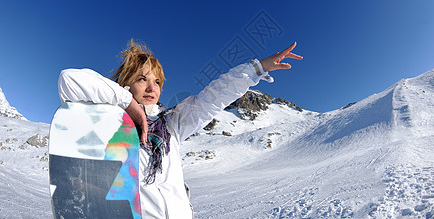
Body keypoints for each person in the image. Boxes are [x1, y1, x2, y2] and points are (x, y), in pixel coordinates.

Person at [58, 39, 302, 219]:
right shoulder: (109, 121)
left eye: (157, 82)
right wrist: (127, 105)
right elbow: (70, 80)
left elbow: (213, 97)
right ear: (125, 84)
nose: (152, 87)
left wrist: (256, 69)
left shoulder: (171, 124)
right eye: (142, 79)